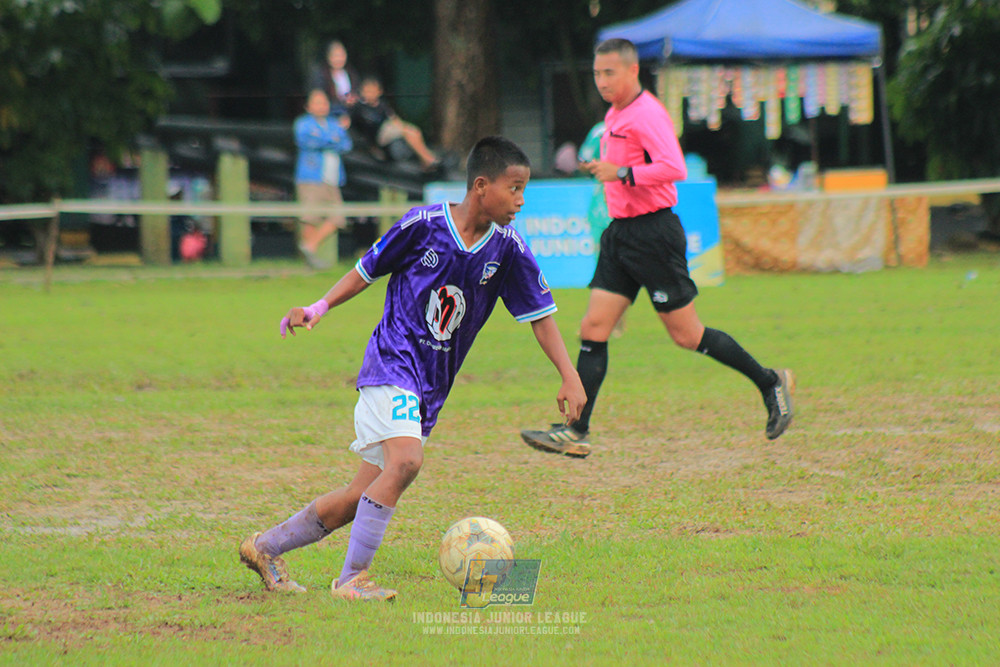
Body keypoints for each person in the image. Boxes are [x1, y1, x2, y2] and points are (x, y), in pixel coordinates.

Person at [239, 136, 587, 600]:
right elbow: (366, 270)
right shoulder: (423, 225)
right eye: (515, 188)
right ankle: (352, 578)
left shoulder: (508, 249)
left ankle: (264, 547)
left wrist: (569, 373)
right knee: (406, 462)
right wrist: (318, 306)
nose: (521, 201)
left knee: (352, 500)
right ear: (482, 186)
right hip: (391, 361)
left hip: (430, 388)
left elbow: (539, 316)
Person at [520, 39, 794, 459]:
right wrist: (608, 172)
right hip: (621, 234)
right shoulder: (615, 114)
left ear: (632, 72)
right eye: (596, 73)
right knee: (594, 329)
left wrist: (621, 172)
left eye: (609, 73)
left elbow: (674, 168)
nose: (601, 81)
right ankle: (576, 431)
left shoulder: (647, 113)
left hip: (654, 234)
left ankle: (770, 381)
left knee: (687, 335)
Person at [293, 89, 353, 269]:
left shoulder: (333, 124)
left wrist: (327, 139)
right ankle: (309, 261)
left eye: (324, 102)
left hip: (332, 177)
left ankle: (309, 246)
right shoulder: (303, 123)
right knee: (310, 217)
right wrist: (332, 139)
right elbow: (307, 141)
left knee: (338, 217)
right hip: (311, 176)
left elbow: (346, 144)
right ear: (308, 106)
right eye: (317, 103)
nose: (321, 106)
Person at [350, 76, 440, 170]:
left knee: (414, 131)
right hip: (379, 135)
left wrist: (401, 125)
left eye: (372, 91)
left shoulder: (382, 105)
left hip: (388, 129)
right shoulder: (360, 108)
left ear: (379, 92)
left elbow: (393, 118)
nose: (369, 94)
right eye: (367, 91)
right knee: (408, 132)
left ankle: (427, 158)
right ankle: (428, 160)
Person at [310, 40, 360, 113]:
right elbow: (319, 95)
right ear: (329, 57)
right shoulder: (321, 74)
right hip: (331, 110)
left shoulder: (351, 73)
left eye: (341, 55)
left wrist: (353, 99)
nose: (339, 59)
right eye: (335, 56)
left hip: (351, 110)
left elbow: (357, 91)